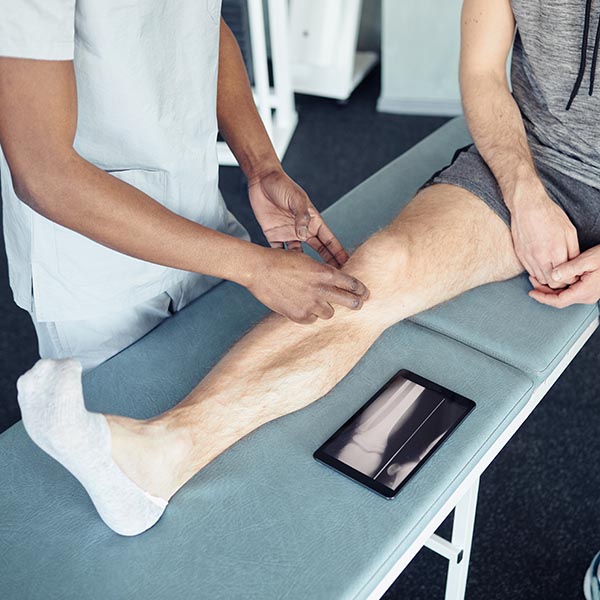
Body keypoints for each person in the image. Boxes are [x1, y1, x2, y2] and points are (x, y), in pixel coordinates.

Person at [14, 0, 600, 537]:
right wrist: (524, 193)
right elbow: (482, 72)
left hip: (180, 193)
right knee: (370, 278)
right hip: (528, 160)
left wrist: (262, 167)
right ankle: (159, 454)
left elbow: (199, 26)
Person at [0, 1, 369, 371]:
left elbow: (203, 25)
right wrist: (256, 269)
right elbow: (44, 174)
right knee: (135, 417)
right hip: (95, 261)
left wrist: (262, 167)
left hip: (199, 215)